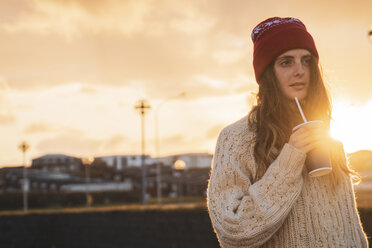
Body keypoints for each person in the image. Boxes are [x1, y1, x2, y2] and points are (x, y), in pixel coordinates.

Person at [207, 17, 369, 248]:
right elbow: (233, 231)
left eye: (307, 61)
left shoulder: (327, 137)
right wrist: (290, 158)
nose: (300, 71)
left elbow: (348, 228)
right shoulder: (236, 139)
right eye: (286, 62)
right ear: (268, 73)